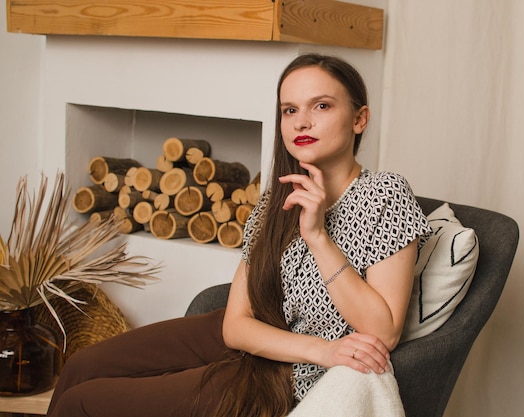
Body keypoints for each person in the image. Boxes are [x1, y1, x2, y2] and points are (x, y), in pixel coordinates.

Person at [46, 53, 432, 417]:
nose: (301, 122)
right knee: (80, 366)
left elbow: (384, 330)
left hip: (281, 376)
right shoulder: (273, 202)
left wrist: (317, 238)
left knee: (82, 404)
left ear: (359, 118)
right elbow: (235, 325)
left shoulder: (384, 194)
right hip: (249, 338)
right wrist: (320, 348)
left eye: (322, 106)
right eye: (289, 110)